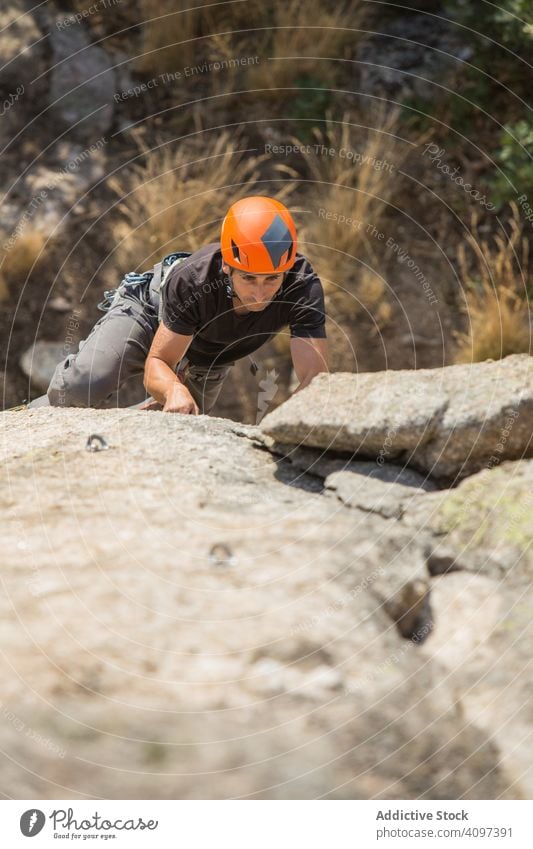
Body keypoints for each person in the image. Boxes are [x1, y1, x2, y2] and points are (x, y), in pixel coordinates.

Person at [37, 195, 329, 415]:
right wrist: (173, 387)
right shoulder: (196, 279)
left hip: (210, 357)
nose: (260, 294)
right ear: (228, 266)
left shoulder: (302, 286)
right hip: (150, 314)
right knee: (81, 387)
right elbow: (158, 363)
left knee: (177, 420)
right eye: (249, 279)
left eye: (272, 279)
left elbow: (314, 379)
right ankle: (35, 412)